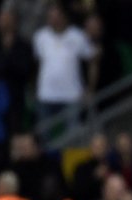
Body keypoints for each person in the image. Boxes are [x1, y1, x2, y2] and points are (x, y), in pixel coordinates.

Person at [32, 3, 98, 133]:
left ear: (64, 17)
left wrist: (90, 88)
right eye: (51, 16)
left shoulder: (78, 36)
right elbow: (36, 65)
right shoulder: (40, 37)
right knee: (44, 135)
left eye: (57, 16)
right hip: (46, 95)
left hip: (71, 95)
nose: (54, 19)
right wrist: (34, 88)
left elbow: (93, 60)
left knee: (73, 136)